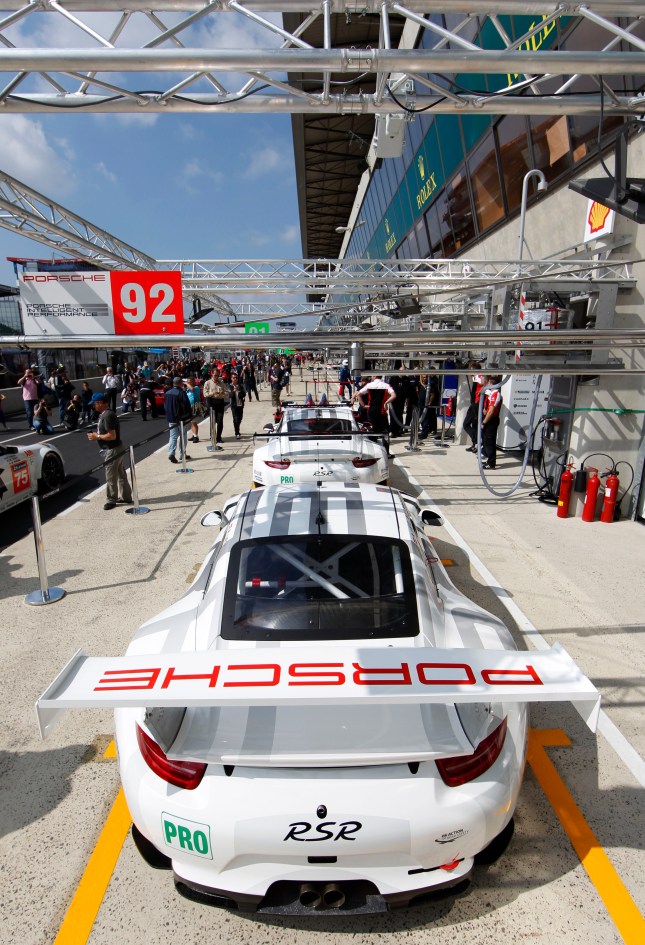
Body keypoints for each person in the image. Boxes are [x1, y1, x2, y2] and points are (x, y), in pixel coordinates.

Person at [86, 391, 133, 509]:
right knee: (121, 473)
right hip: (116, 447)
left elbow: (112, 435)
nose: (94, 406)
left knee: (111, 475)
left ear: (100, 403)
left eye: (95, 404)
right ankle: (126, 496)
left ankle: (111, 500)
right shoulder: (107, 414)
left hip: (112, 449)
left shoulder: (107, 416)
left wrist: (97, 436)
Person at [164, 377, 193, 464]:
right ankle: (182, 454)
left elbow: (165, 405)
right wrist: (189, 415)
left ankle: (171, 453)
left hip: (171, 418)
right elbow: (186, 405)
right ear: (181, 383)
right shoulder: (181, 393)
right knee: (183, 436)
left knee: (173, 436)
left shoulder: (167, 393)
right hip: (181, 419)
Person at [481, 375, 503, 470]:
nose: (487, 384)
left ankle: (491, 463)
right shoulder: (492, 393)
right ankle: (489, 460)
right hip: (489, 419)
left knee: (489, 442)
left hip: (491, 421)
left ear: (492, 384)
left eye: (489, 382)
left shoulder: (495, 394)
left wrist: (484, 422)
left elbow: (491, 411)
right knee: (486, 441)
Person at [463, 362, 485, 453]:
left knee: (466, 424)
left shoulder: (479, 377)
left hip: (476, 404)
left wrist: (481, 391)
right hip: (474, 403)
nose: (470, 371)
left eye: (472, 369)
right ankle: (475, 444)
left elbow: (485, 383)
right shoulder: (476, 377)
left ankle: (476, 441)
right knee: (473, 424)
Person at [203, 367, 228, 444]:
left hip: (220, 402)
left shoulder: (221, 383)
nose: (216, 377)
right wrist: (212, 393)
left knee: (220, 421)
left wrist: (223, 393)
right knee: (213, 421)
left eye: (217, 375)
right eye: (215, 375)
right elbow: (205, 394)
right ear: (212, 374)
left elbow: (227, 393)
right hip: (211, 402)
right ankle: (212, 436)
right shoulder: (207, 383)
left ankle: (219, 437)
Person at [185, 376, 204, 443]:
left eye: (190, 382)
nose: (189, 383)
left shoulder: (196, 387)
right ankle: (194, 434)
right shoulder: (187, 389)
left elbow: (192, 389)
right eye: (188, 382)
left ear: (193, 382)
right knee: (192, 422)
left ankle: (196, 436)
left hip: (195, 406)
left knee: (194, 422)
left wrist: (186, 383)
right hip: (189, 406)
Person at [228, 372, 246, 438]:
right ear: (231, 379)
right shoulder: (230, 386)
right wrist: (233, 391)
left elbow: (244, 394)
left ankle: (237, 428)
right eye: (234, 378)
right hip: (234, 405)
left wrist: (240, 391)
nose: (235, 379)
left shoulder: (240, 386)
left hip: (240, 404)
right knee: (236, 418)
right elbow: (229, 395)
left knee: (240, 418)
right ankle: (237, 432)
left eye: (236, 378)